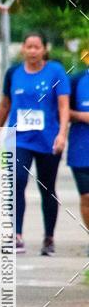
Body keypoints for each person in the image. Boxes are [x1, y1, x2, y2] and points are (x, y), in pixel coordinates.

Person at [0, 32, 70, 255]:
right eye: (29, 47)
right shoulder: (13, 73)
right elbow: (5, 105)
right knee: (16, 183)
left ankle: (49, 238)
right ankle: (16, 236)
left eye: (37, 47)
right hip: (20, 139)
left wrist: (62, 134)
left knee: (47, 188)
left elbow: (63, 106)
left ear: (44, 50)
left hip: (48, 140)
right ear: (23, 49)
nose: (33, 51)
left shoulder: (56, 71)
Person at [67, 48, 89, 253]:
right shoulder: (76, 81)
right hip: (81, 149)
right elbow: (63, 110)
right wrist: (82, 116)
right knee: (86, 197)